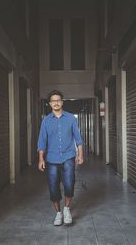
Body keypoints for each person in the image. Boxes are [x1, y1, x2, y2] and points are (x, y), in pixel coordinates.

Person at [37, 90, 84, 226]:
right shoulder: (46, 121)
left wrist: (80, 154)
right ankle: (58, 213)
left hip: (69, 156)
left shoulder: (71, 118)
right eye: (53, 101)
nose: (56, 103)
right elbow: (41, 141)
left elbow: (78, 138)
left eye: (58, 100)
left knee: (69, 183)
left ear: (62, 102)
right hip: (51, 159)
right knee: (53, 186)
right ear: (50, 104)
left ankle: (67, 209)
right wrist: (41, 159)